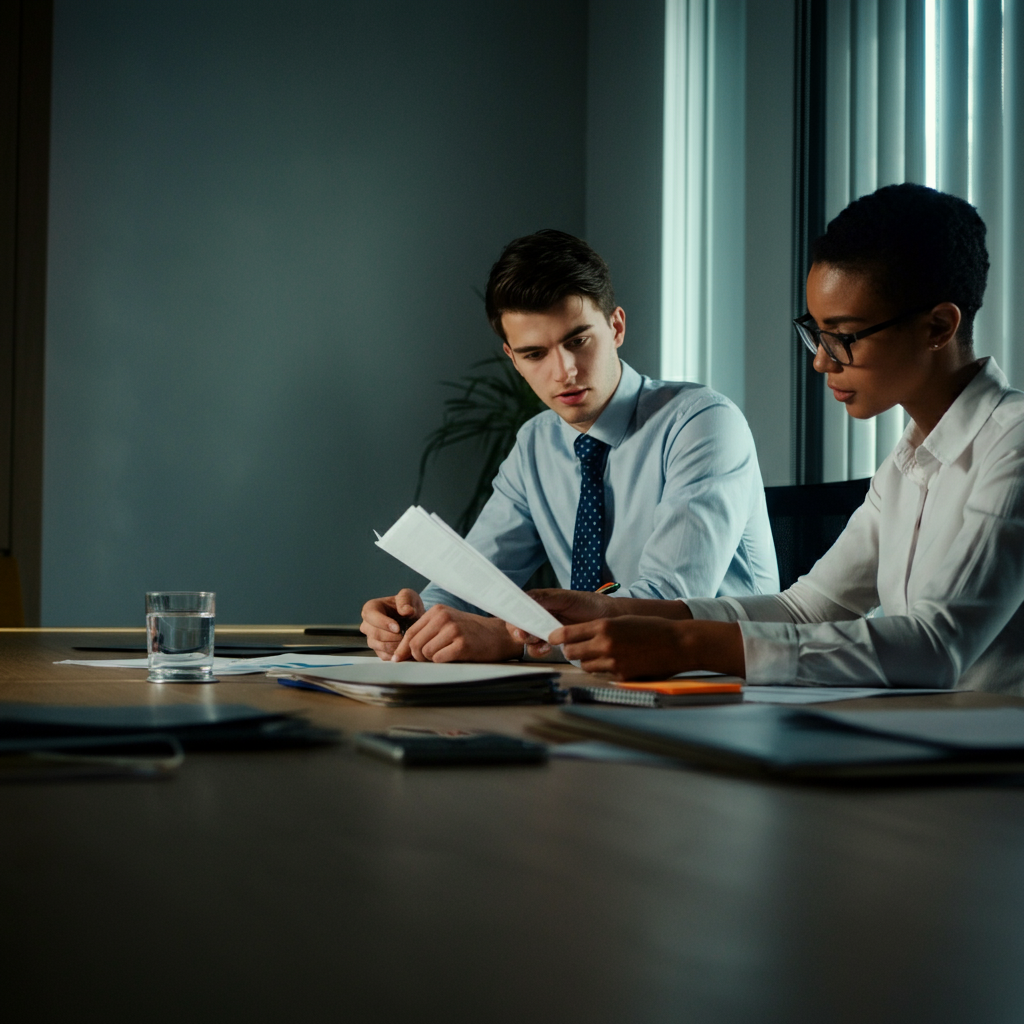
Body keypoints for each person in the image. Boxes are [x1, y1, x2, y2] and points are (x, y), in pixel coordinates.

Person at [516, 184, 1024, 694]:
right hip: (918, 741)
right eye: (816, 332)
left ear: (938, 326)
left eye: (843, 336)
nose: (821, 360)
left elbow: (934, 648)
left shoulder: (1014, 445)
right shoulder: (906, 465)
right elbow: (805, 608)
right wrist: (619, 610)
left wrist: (685, 647)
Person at [361, 229, 779, 662]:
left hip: (719, 684)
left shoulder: (702, 422)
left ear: (616, 326)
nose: (565, 371)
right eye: (534, 354)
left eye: (577, 341)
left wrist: (509, 641)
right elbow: (475, 582)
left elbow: (668, 606)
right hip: (593, 687)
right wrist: (416, 620)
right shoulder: (536, 444)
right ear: (513, 358)